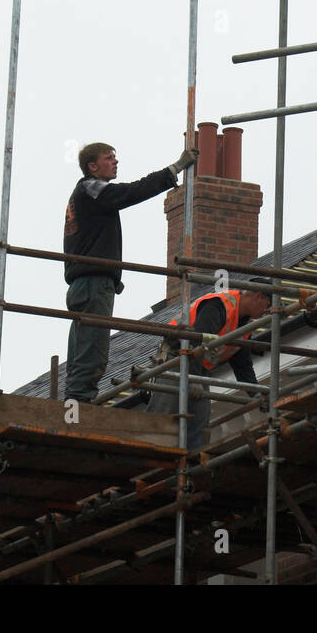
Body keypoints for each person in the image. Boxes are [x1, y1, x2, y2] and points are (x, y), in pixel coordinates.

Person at [62, 141, 197, 402]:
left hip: (85, 283)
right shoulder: (92, 189)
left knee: (82, 347)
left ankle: (75, 403)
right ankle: (79, 406)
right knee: (93, 348)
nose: (115, 162)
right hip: (94, 281)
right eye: (108, 158)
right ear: (92, 166)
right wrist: (175, 168)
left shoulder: (85, 194)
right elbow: (132, 192)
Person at [149, 280, 273, 450]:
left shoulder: (243, 325)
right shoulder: (220, 305)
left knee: (199, 423)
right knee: (163, 413)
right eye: (268, 305)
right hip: (176, 359)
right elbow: (196, 341)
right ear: (258, 296)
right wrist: (193, 379)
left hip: (198, 370)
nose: (267, 311)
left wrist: (255, 393)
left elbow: (242, 364)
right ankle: (148, 453)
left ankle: (191, 465)